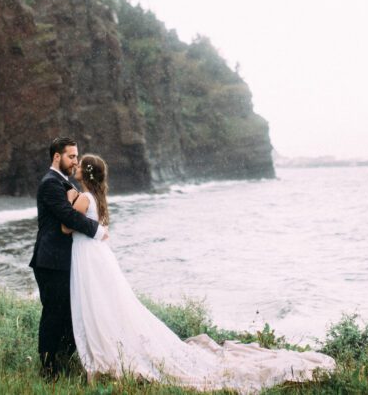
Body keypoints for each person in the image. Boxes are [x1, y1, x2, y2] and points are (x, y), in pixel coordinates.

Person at [63, 153, 336, 393]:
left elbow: (66, 228)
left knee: (96, 305)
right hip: (97, 256)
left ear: (84, 172)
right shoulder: (97, 197)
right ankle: (106, 355)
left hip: (89, 257)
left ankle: (102, 358)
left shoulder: (83, 198)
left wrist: (69, 198)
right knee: (106, 304)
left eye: (78, 165)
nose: (74, 167)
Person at [28, 137, 107, 378]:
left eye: (76, 157)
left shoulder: (63, 183)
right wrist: (98, 230)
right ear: (57, 157)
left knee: (69, 314)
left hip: (63, 261)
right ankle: (48, 369)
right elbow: (67, 217)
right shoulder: (50, 183)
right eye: (71, 156)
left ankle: (63, 361)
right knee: (53, 314)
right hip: (50, 261)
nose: (75, 161)